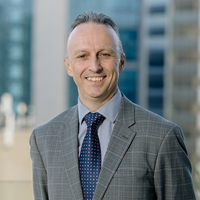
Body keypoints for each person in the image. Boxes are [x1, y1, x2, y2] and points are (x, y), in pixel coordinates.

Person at [30, 11, 196, 200]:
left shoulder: (162, 138)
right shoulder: (43, 140)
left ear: (121, 62)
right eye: (83, 56)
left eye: (105, 54)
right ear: (69, 66)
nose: (94, 66)